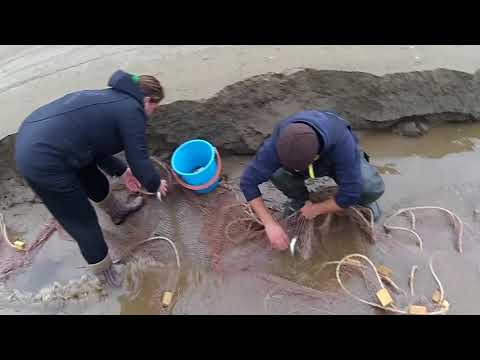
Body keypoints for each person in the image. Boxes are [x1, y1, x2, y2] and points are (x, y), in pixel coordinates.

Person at [15, 70, 168, 285]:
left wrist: (122, 171)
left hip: (42, 137)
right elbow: (139, 159)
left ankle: (117, 212)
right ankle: (105, 275)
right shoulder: (133, 111)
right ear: (146, 100)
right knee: (82, 221)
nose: (154, 112)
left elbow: (94, 144)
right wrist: (154, 184)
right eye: (155, 107)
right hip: (43, 160)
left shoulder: (113, 98)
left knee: (91, 175)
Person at [240, 110, 385, 251]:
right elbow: (247, 182)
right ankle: (299, 200)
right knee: (278, 174)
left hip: (334, 161)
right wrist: (269, 224)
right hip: (303, 162)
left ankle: (367, 201)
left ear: (315, 157)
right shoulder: (275, 146)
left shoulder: (342, 142)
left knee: (368, 187)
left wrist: (316, 209)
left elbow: (350, 194)